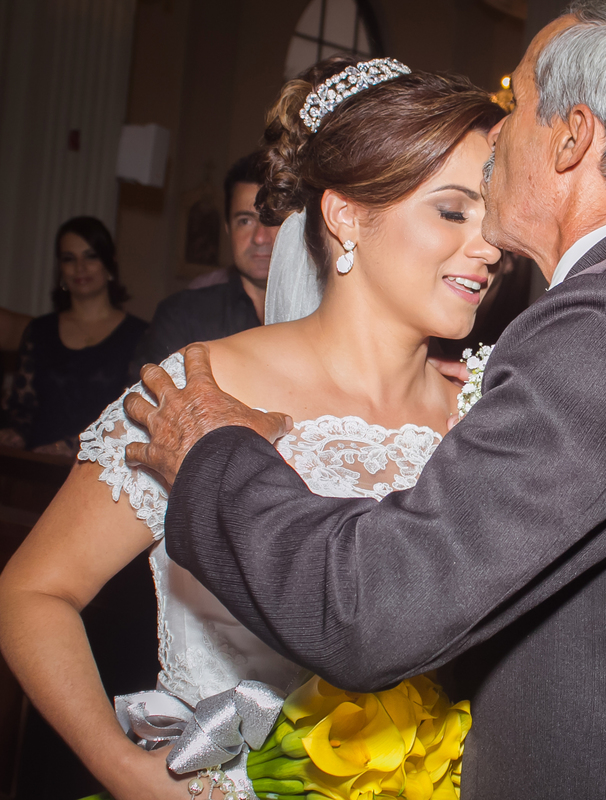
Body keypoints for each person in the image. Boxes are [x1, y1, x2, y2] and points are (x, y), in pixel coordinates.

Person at [120, 2, 606, 797]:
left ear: (571, 136)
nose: (497, 133)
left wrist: (214, 452)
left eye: (516, 100)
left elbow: (373, 609)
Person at [0, 59, 505, 799]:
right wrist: (122, 769)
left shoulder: (486, 414)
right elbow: (31, 594)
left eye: (494, 217)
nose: (488, 246)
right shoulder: (204, 388)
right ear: (346, 216)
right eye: (455, 211)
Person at [0, 217, 146, 455]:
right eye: (69, 259)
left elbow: (133, 421)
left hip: (100, 476)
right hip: (36, 469)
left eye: (90, 256)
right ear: (60, 269)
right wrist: (14, 433)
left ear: (109, 263)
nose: (80, 267)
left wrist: (70, 448)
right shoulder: (39, 331)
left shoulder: (141, 335)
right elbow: (22, 410)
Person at [130, 153, 279, 374]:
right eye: (245, 221)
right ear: (228, 229)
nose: (259, 237)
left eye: (272, 220)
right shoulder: (182, 316)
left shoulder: (319, 317)